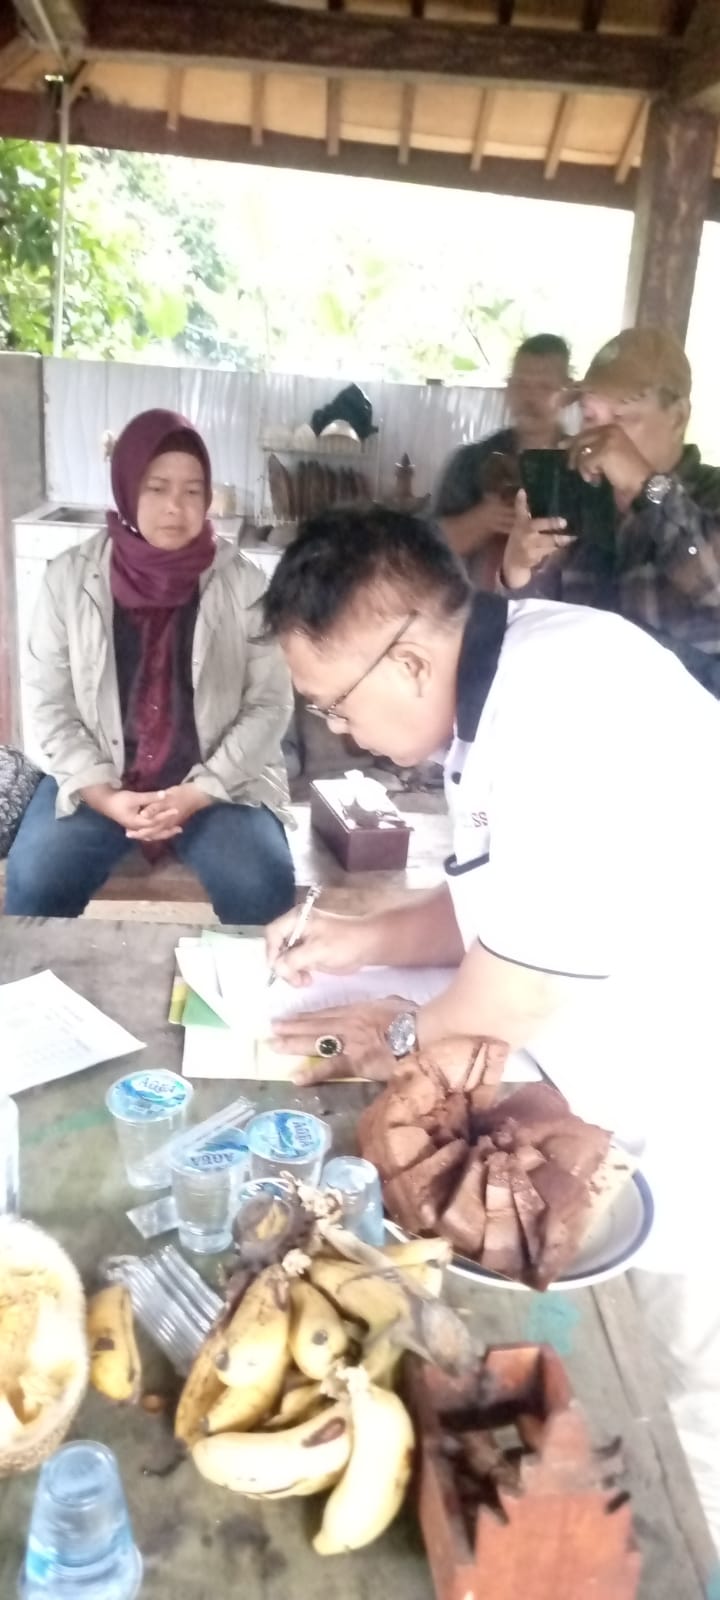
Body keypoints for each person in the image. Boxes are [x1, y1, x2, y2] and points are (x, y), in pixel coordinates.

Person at [260, 504, 720, 1551]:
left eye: (335, 703)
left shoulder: (563, 708)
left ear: (409, 661)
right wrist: (357, 939)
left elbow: (509, 998)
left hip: (696, 1088)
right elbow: (492, 904)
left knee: (691, 1392)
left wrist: (382, 1039)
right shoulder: (503, 687)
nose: (338, 729)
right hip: (618, 1073)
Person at [5, 409, 296, 924]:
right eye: (157, 488)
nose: (175, 507)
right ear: (126, 489)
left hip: (217, 783)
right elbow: (49, 703)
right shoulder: (68, 580)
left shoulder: (244, 584)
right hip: (97, 776)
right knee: (36, 877)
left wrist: (199, 791)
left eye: (192, 490)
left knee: (260, 880)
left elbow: (270, 704)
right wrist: (102, 794)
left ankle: (244, 979)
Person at [501, 326, 720, 692]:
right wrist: (518, 571)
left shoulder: (711, 495)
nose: (603, 437)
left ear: (678, 417)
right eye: (590, 417)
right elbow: (538, 629)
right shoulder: (578, 496)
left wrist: (644, 486)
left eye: (621, 418)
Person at [435, 333, 572, 581]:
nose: (529, 398)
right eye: (521, 384)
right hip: (480, 601)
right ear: (508, 388)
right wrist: (484, 519)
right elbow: (431, 547)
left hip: (562, 603)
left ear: (568, 393)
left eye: (544, 387)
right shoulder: (470, 462)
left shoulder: (583, 466)